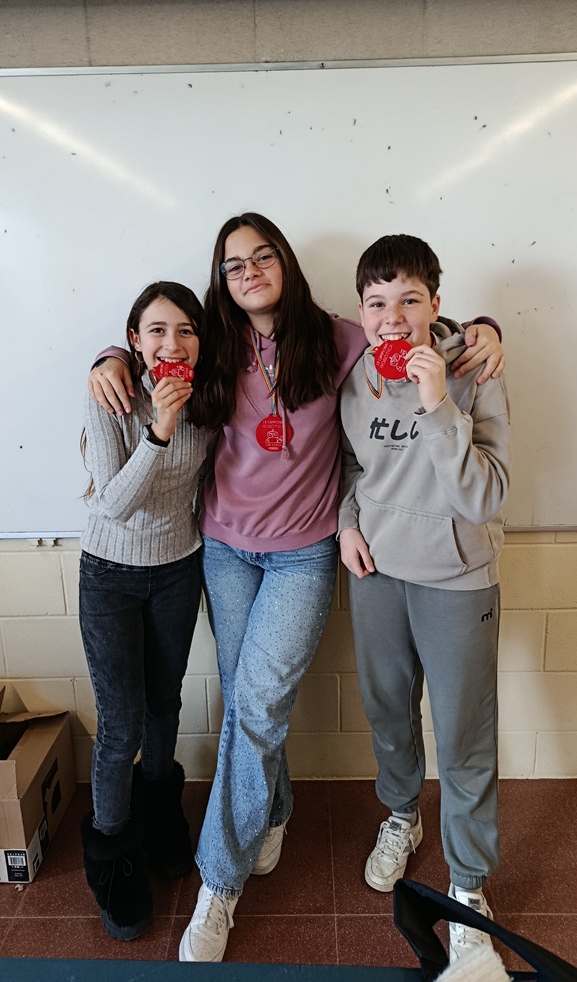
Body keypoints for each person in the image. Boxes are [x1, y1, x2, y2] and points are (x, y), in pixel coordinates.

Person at [87, 213, 504, 963]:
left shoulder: (339, 339)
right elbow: (159, 342)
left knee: (254, 705)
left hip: (303, 556)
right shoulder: (213, 343)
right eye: (233, 263)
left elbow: (414, 325)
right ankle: (272, 809)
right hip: (224, 550)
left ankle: (218, 886)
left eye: (262, 256)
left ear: (285, 262)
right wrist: (109, 355)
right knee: (248, 698)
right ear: (221, 279)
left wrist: (485, 328)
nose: (248, 271)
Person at [338, 234, 511, 963]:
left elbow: (484, 495)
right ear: (361, 311)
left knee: (464, 732)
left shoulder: (473, 367)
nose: (393, 318)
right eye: (377, 303)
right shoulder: (356, 375)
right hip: (377, 572)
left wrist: (438, 404)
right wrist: (347, 523)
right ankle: (402, 816)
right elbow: (352, 465)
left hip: (456, 577)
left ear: (435, 304)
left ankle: (468, 882)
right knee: (387, 711)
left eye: (409, 300)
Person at [79, 282, 210, 941]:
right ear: (134, 340)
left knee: (164, 707)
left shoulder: (208, 398)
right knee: (120, 725)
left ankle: (160, 819)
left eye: (185, 330)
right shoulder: (114, 394)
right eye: (156, 330)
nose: (171, 344)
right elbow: (114, 504)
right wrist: (158, 426)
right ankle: (111, 855)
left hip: (178, 570)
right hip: (109, 575)